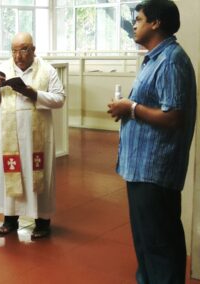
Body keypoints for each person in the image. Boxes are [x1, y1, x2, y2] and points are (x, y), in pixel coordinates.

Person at [107, 1, 196, 283]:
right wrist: (127, 108)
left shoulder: (171, 60)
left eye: (139, 19)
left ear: (156, 23)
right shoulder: (155, 58)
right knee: (147, 242)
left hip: (155, 170)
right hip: (141, 168)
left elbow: (174, 117)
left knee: (160, 244)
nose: (134, 24)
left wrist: (130, 108)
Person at [0, 32, 65, 240]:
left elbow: (59, 99)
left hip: (36, 137)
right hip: (9, 135)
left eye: (23, 49)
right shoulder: (2, 68)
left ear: (33, 49)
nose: (17, 55)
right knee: (10, 175)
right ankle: (10, 220)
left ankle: (42, 222)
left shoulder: (47, 70)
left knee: (38, 176)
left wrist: (32, 93)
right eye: (13, 50)